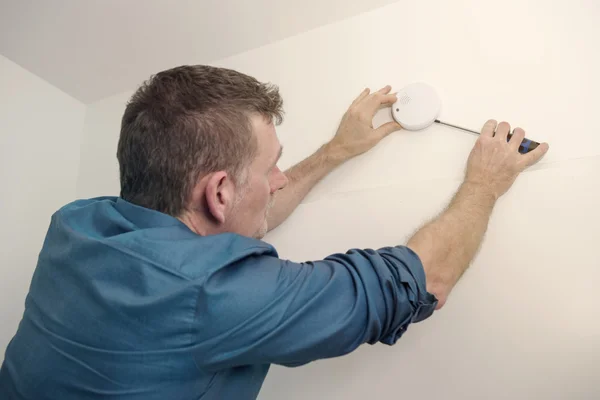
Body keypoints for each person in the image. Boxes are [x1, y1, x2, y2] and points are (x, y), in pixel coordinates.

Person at [0, 65, 548, 400]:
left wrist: (336, 152)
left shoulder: (77, 225)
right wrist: (485, 183)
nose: (277, 179)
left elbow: (232, 215)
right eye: (271, 168)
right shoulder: (212, 295)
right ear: (217, 192)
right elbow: (425, 278)